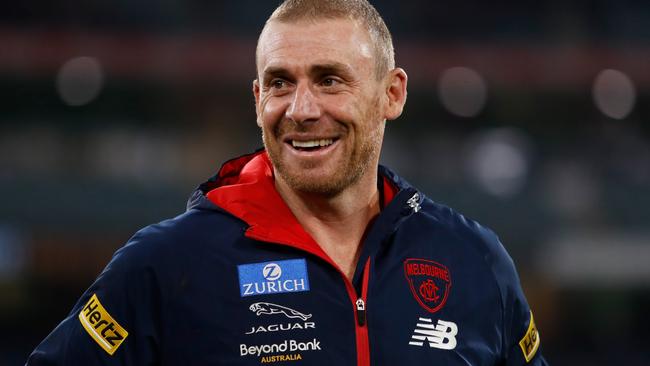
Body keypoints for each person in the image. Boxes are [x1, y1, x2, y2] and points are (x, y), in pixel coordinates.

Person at [27, 0, 548, 365]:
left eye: (329, 80)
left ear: (392, 94)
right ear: (258, 100)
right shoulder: (165, 264)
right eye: (280, 83)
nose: (301, 110)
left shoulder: (474, 259)